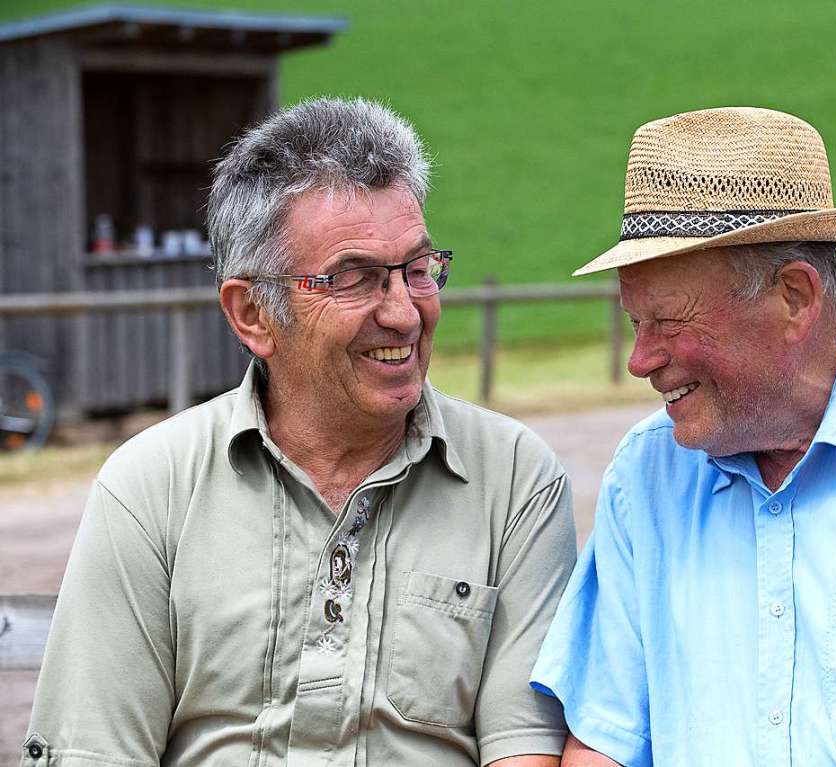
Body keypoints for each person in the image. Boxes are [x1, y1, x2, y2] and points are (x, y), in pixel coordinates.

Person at [22, 98, 575, 767]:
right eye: (354, 278)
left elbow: (524, 752)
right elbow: (95, 752)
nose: (403, 312)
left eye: (418, 268)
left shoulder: (513, 478)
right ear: (253, 313)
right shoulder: (152, 486)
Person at [530, 107, 836, 766]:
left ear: (793, 297)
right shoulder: (646, 472)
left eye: (667, 322)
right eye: (633, 322)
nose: (639, 360)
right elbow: (604, 742)